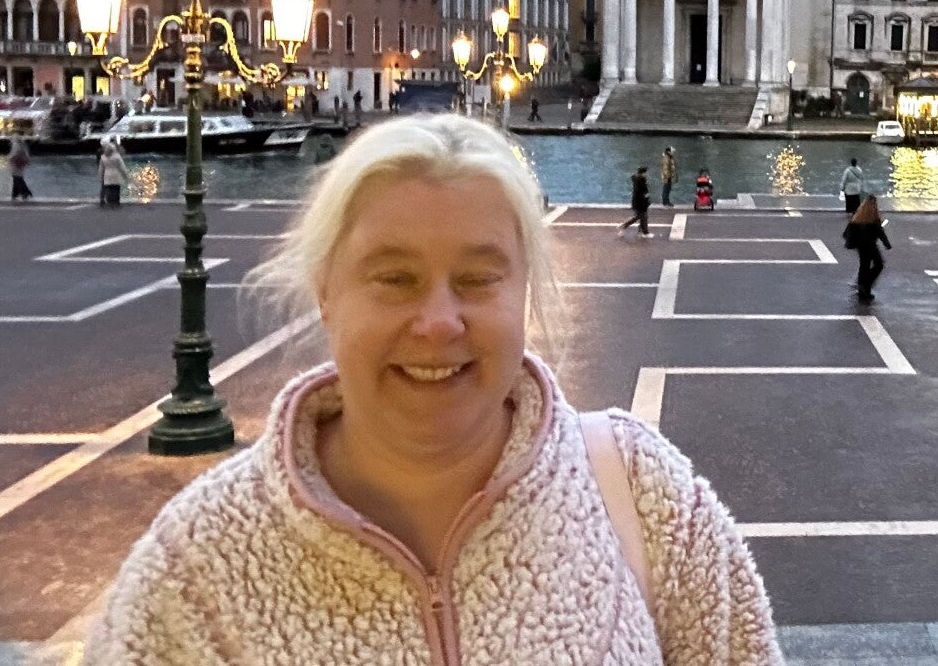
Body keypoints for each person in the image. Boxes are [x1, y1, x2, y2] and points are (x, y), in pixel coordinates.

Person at [88, 115, 780, 664]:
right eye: (394, 279)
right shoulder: (192, 571)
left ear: (524, 292)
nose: (439, 322)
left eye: (479, 279)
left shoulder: (646, 496)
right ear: (326, 293)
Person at [841, 194, 892, 308]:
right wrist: (887, 244)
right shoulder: (873, 217)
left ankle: (862, 288)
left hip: (860, 246)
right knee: (878, 264)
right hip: (870, 245)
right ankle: (866, 285)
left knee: (864, 266)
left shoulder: (858, 216)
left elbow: (845, 234)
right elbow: (880, 233)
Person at [617, 166, 652, 238]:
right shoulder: (640, 181)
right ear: (642, 173)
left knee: (642, 217)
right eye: (645, 172)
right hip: (640, 202)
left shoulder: (640, 179)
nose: (646, 174)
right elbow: (640, 192)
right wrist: (645, 196)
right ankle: (625, 226)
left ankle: (641, 232)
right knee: (641, 217)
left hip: (641, 202)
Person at [97, 137, 127, 209]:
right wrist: (125, 174)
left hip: (107, 175)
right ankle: (116, 203)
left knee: (109, 189)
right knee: (116, 189)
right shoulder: (117, 157)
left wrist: (100, 176)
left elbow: (101, 169)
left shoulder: (103, 157)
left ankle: (109, 202)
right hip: (116, 174)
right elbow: (122, 166)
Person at [8, 137, 34, 201]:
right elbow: (25, 155)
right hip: (21, 163)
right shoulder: (23, 145)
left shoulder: (16, 145)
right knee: (17, 178)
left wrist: (11, 159)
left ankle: (24, 193)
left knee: (17, 178)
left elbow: (15, 154)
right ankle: (15, 194)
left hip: (17, 164)